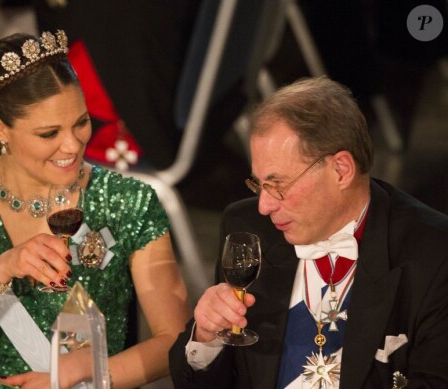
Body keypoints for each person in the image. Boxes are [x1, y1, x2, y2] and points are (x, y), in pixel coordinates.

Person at [0, 30, 190, 388]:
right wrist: (3, 267)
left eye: (81, 123)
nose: (72, 144)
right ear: (0, 130)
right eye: (48, 134)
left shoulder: (130, 202)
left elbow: (176, 343)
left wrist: (87, 374)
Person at [169, 76, 448, 388]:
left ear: (341, 170)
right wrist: (207, 337)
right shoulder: (247, 229)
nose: (263, 206)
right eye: (259, 184)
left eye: (278, 185)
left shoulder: (434, 254)